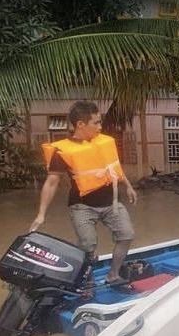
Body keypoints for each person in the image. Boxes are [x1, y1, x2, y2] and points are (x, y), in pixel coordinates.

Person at [31, 101, 138, 285]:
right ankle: (83, 278)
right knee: (88, 244)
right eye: (96, 123)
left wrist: (128, 185)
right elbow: (51, 183)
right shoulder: (62, 151)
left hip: (110, 201)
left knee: (126, 234)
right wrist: (41, 215)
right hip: (82, 206)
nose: (100, 126)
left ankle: (113, 275)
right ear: (80, 124)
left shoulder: (104, 142)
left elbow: (114, 168)